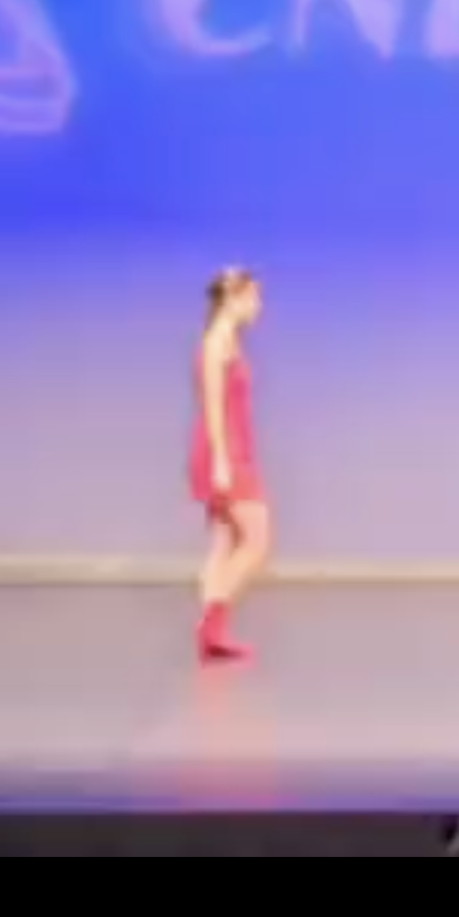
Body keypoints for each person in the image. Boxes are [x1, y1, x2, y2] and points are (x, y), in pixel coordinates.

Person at [191, 268, 272, 664]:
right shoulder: (215, 345)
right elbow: (212, 408)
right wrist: (222, 463)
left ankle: (213, 635)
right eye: (253, 297)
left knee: (224, 542)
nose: (259, 306)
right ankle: (211, 625)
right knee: (256, 541)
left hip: (236, 451)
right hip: (225, 453)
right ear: (231, 298)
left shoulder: (231, 342)